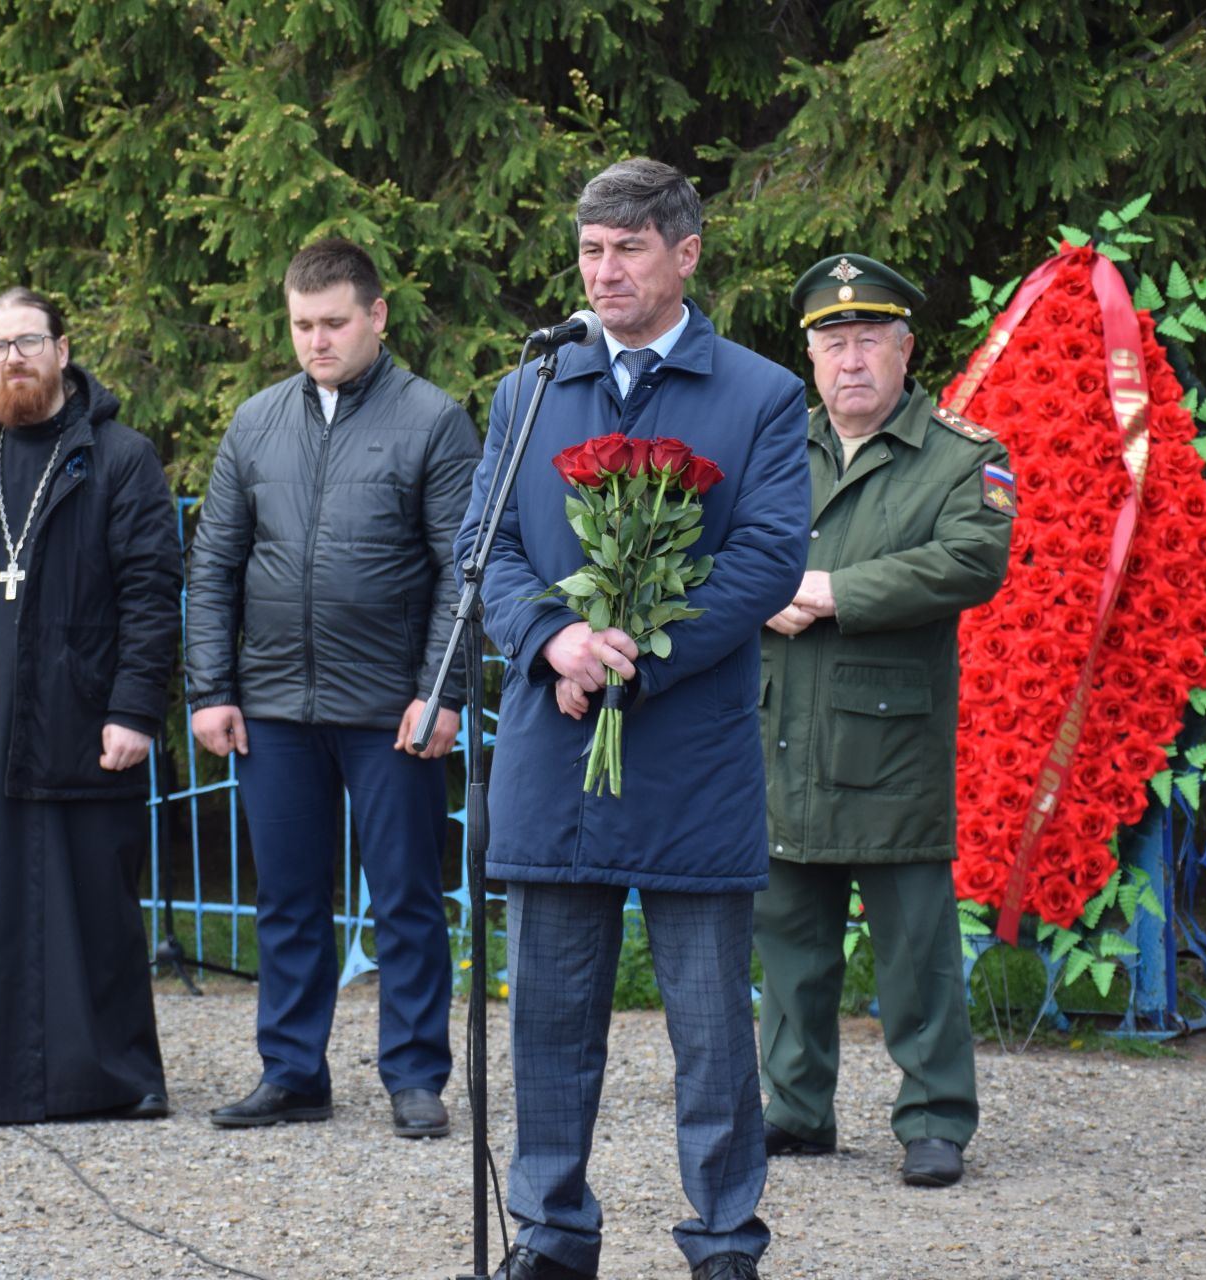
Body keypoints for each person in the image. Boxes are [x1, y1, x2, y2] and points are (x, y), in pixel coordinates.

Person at [460, 160, 810, 1280]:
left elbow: (765, 559)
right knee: (551, 1023)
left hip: (686, 755)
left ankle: (722, 1241)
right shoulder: (532, 387)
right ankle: (554, 1233)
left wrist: (632, 662)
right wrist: (551, 640)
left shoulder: (758, 393)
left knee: (710, 1033)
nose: (604, 271)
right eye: (591, 250)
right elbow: (486, 550)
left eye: (629, 249)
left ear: (686, 254)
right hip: (555, 744)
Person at [186, 238, 480, 1138]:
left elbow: (462, 573)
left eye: (334, 323)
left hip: (390, 707)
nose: (317, 341)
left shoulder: (433, 420)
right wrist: (210, 689)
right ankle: (291, 1069)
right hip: (273, 707)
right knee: (287, 896)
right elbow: (214, 566)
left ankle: (416, 1075)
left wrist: (443, 692)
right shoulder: (255, 422)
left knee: (406, 897)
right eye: (302, 325)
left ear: (377, 316)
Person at [752, 254, 1015, 1189]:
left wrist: (831, 590)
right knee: (787, 941)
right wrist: (754, 593)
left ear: (906, 350)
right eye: (832, 341)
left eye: (869, 339)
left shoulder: (962, 454)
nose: (849, 358)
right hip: (781, 731)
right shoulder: (776, 445)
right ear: (811, 357)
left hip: (889, 742)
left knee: (915, 953)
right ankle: (794, 1109)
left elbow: (972, 561)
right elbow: (724, 545)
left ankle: (935, 1119)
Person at [0, 287, 181, 1124]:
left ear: (61, 347)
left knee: (90, 912)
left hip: (81, 725)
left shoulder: (119, 458)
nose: (11, 358)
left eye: (26, 342)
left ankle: (106, 1080)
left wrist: (133, 710)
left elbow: (152, 597)